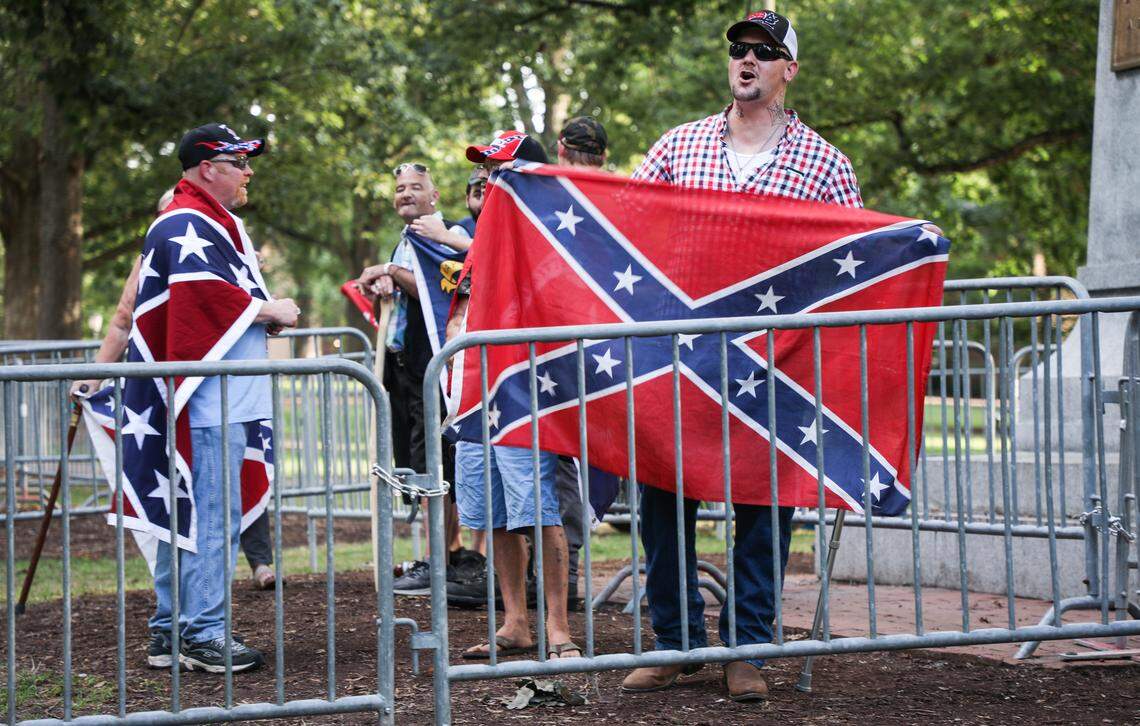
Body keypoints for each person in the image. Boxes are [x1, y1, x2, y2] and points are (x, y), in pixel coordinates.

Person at [621, 10, 861, 701]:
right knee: (663, 495)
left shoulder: (825, 163)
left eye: (765, 50)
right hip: (679, 358)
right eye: (738, 49)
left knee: (765, 503)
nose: (747, 59)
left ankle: (747, 648)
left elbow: (852, 263)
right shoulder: (677, 147)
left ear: (790, 68)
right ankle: (676, 641)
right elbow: (625, 227)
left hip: (775, 363)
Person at [125, 123, 300, 673]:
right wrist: (268, 310)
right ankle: (203, 632)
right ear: (208, 168)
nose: (249, 171)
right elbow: (204, 296)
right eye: (239, 161)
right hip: (207, 400)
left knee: (191, 514)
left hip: (218, 395)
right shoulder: (184, 221)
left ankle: (171, 629)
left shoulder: (205, 221)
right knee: (211, 517)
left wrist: (259, 316)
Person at [71, 188, 281, 593]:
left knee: (204, 497)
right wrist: (94, 377)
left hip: (215, 394)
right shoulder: (170, 250)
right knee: (200, 505)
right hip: (191, 397)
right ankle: (191, 625)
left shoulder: (221, 246)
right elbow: (123, 317)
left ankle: (187, 613)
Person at [447, 131, 580, 660]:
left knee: (540, 509)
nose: (486, 179)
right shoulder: (484, 235)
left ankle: (559, 628)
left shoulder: (550, 232)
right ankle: (516, 622)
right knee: (495, 515)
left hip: (527, 390)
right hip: (477, 390)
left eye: (496, 170)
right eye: (484, 171)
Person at [355, 163, 476, 595]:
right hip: (406, 365)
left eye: (416, 187)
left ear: (435, 196)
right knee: (421, 460)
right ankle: (447, 553)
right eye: (400, 188)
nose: (406, 194)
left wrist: (389, 273)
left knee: (441, 462)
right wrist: (384, 284)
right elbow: (406, 292)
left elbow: (440, 284)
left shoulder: (448, 235)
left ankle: (444, 558)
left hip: (437, 365)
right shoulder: (404, 242)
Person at [455, 167, 489, 237]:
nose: (483, 200)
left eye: (488, 193)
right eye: (477, 195)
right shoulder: (460, 230)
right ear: (467, 200)